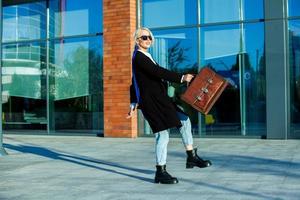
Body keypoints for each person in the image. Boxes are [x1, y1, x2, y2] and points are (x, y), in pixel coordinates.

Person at [127, 27, 211, 184]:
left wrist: (132, 100)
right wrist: (181, 78)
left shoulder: (145, 56)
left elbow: (134, 81)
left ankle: (191, 156)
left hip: (162, 99)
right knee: (162, 135)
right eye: (145, 37)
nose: (149, 40)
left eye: (150, 37)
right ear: (137, 40)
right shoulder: (138, 57)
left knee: (185, 120)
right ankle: (160, 171)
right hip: (151, 103)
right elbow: (157, 71)